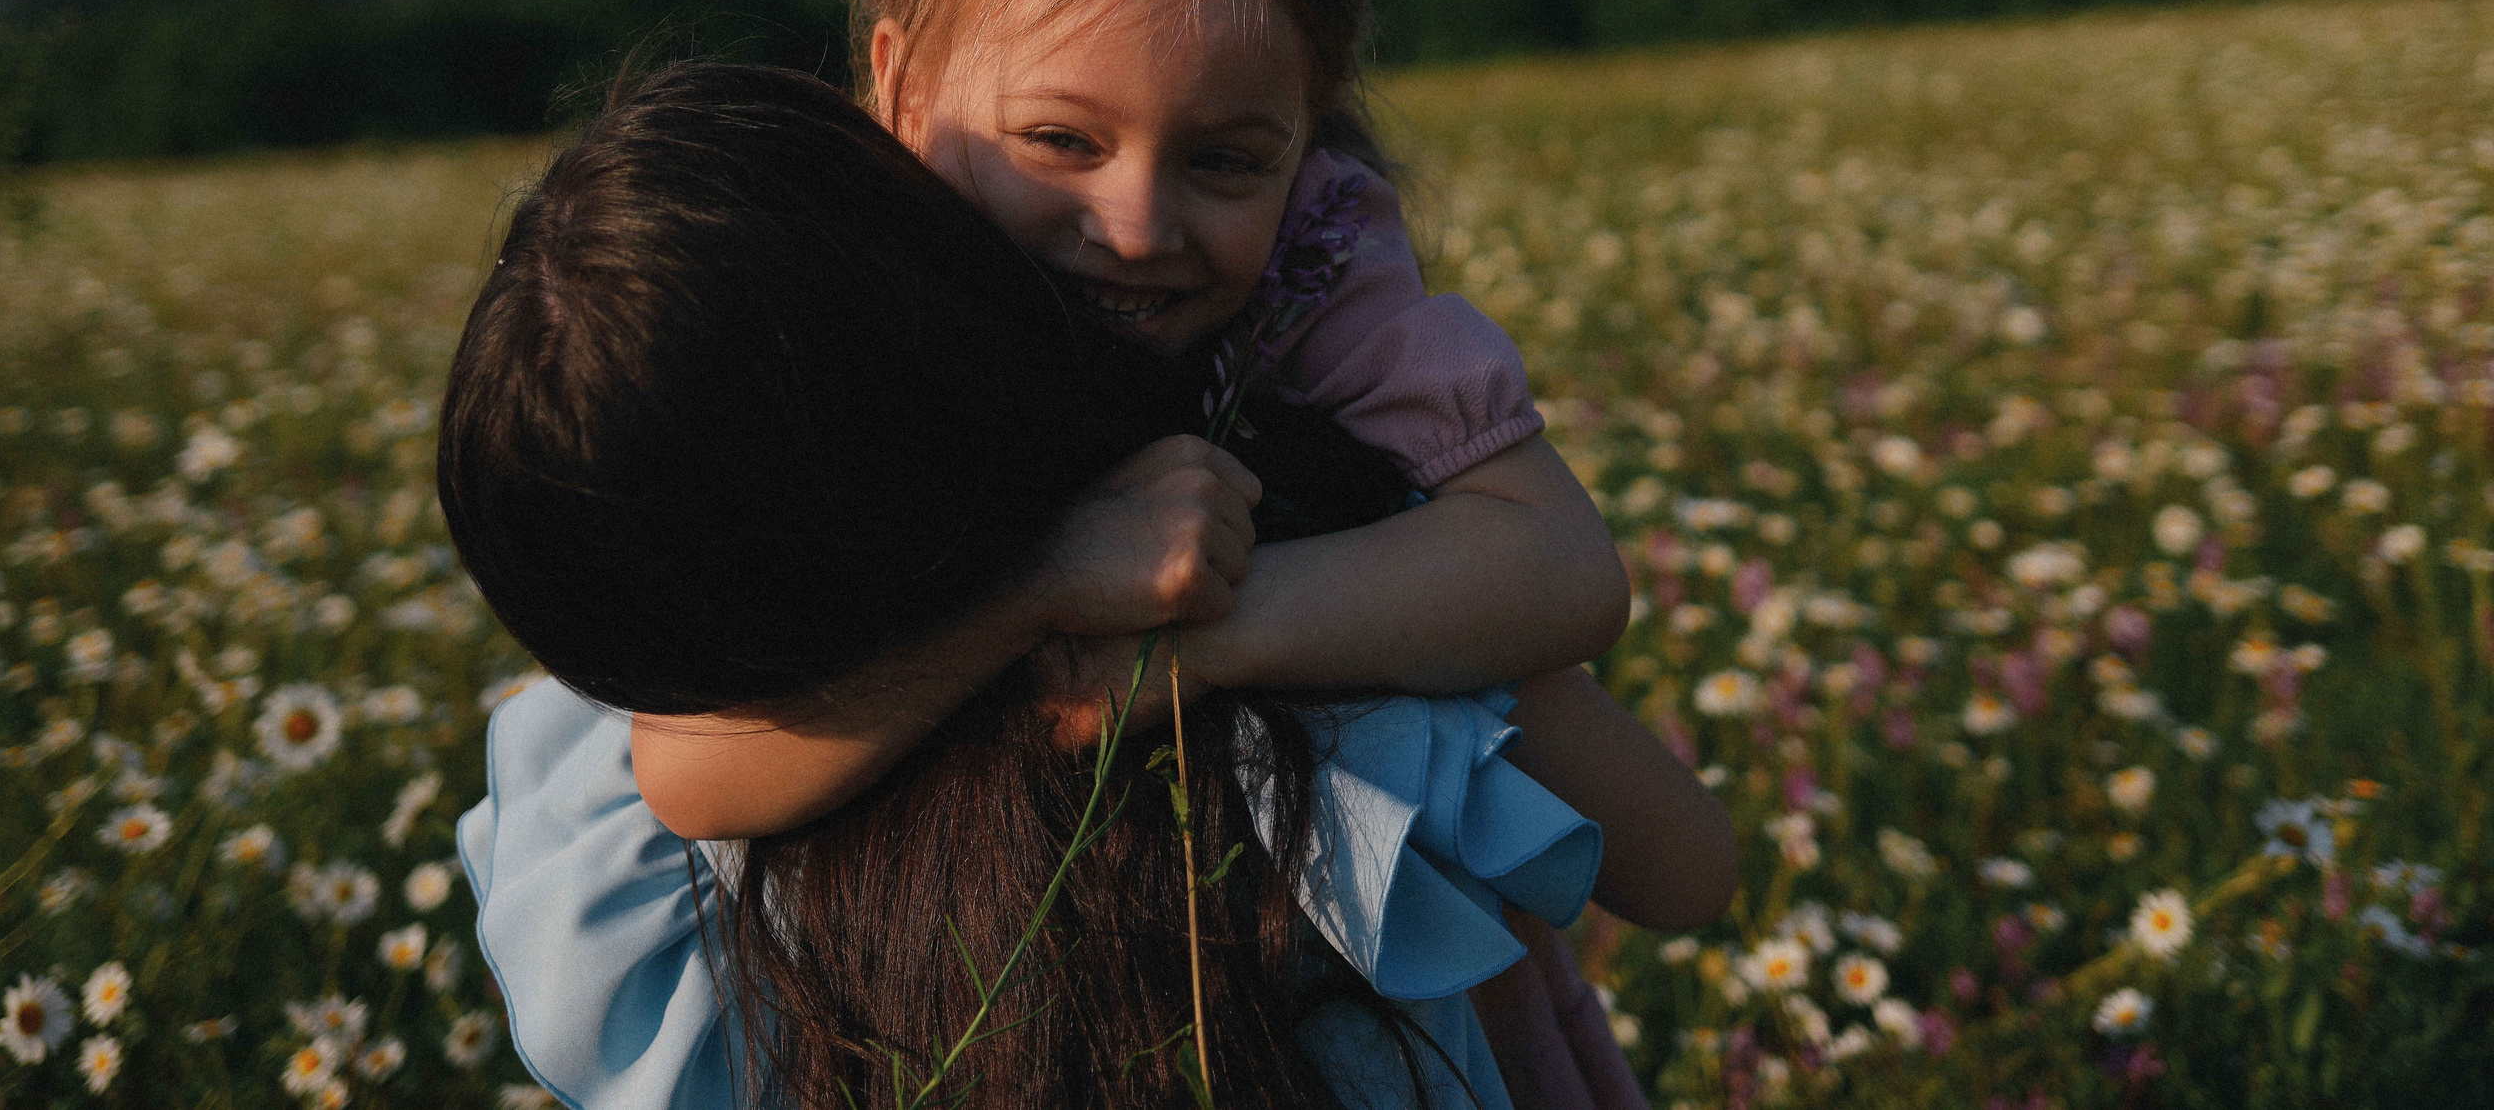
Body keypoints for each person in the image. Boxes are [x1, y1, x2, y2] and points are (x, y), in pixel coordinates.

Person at [445, 64, 1736, 1108]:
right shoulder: (1323, 563)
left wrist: (1028, 605)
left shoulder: (669, 815)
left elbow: (677, 767)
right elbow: (1688, 868)